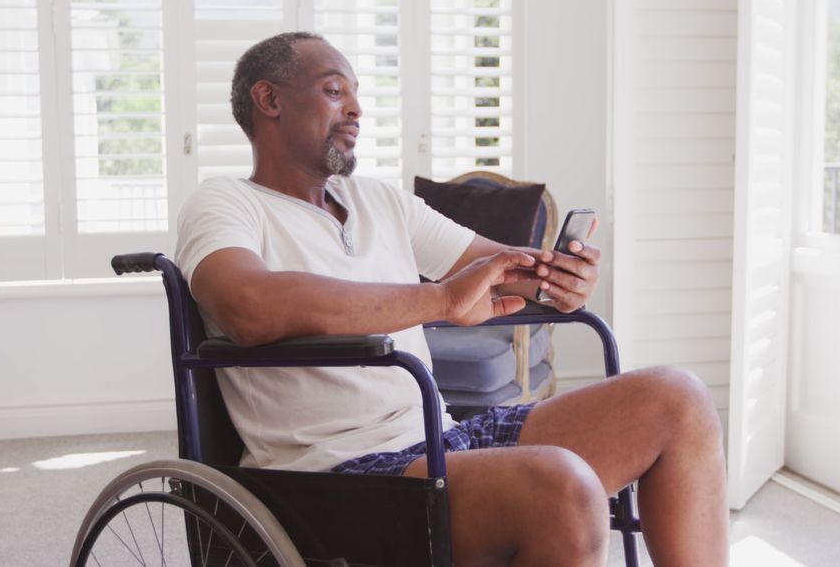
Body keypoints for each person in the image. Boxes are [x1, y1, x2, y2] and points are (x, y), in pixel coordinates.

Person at [175, 31, 728, 566]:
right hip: (338, 474)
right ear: (268, 99)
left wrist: (557, 277)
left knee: (677, 399)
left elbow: (500, 271)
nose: (357, 111)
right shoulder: (226, 203)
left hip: (442, 439)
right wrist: (439, 300)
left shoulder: (379, 201)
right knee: (562, 486)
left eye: (357, 96)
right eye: (335, 90)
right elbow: (247, 307)